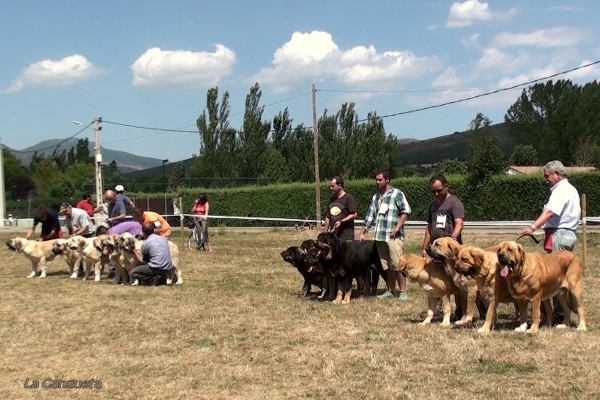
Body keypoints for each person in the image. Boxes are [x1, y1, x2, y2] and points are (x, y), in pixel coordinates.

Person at [522, 160, 581, 320]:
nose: (545, 179)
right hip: (566, 233)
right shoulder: (571, 189)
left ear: (557, 174)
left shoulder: (560, 191)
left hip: (560, 234)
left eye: (547, 176)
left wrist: (533, 227)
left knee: (554, 274)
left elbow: (550, 213)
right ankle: (561, 312)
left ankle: (558, 313)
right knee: (561, 274)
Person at [359, 169, 411, 300]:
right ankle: (391, 290)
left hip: (394, 236)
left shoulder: (397, 194)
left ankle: (403, 291)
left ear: (387, 180)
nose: (377, 182)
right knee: (386, 265)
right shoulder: (376, 197)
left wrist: (397, 228)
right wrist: (363, 232)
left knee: (398, 264)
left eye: (380, 180)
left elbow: (405, 211)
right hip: (380, 237)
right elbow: (370, 216)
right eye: (376, 180)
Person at [420, 174, 466, 318]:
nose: (436, 194)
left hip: (450, 251)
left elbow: (459, 223)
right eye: (433, 191)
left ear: (446, 186)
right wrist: (425, 247)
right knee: (439, 280)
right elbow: (429, 227)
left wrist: (452, 240)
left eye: (439, 190)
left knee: (458, 282)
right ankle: (439, 310)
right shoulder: (433, 206)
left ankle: (461, 312)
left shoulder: (454, 203)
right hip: (436, 251)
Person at [323, 175, 358, 241]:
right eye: (330, 186)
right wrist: (326, 233)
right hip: (334, 237)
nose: (331, 188)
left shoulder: (348, 198)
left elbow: (354, 215)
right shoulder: (331, 199)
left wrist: (341, 221)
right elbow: (328, 217)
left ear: (340, 185)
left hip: (346, 237)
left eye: (333, 186)